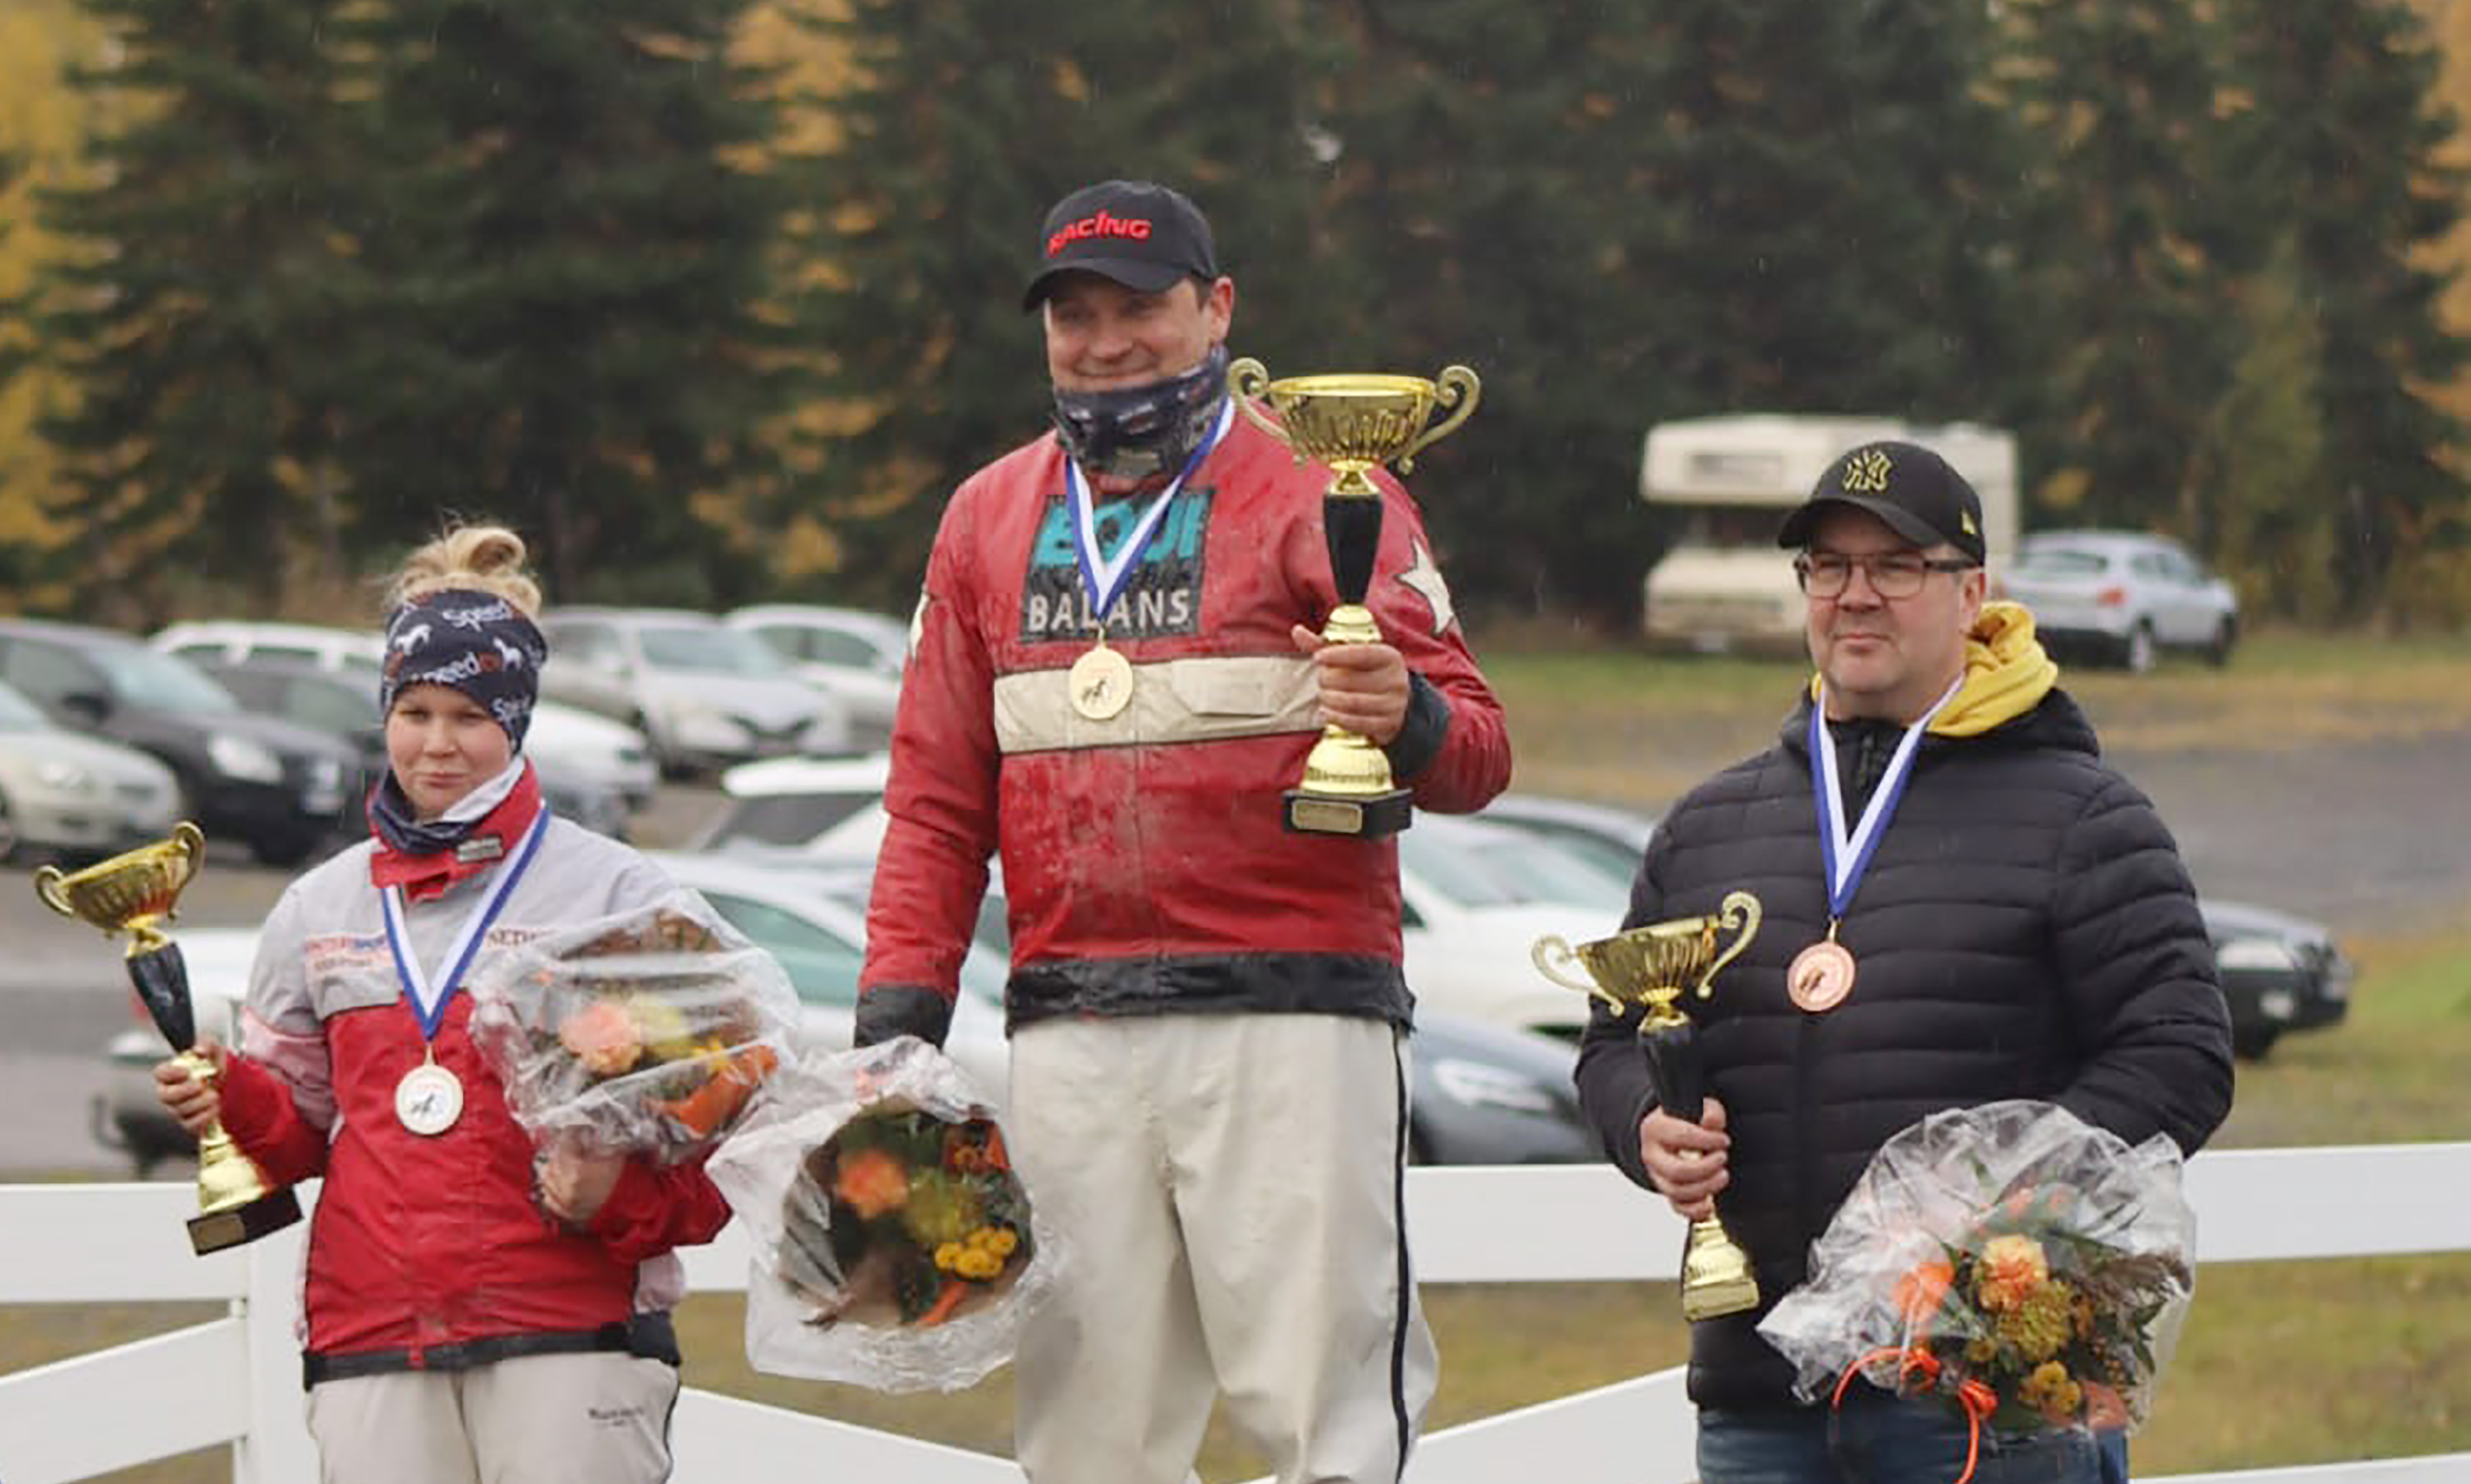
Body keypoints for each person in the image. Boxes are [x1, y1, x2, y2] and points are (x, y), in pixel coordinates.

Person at [852, 178, 1512, 1484]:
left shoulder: (1326, 486)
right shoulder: (985, 518)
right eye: (1073, 315)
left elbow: (1481, 756)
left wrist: (1411, 717)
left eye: (1139, 309)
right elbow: (934, 805)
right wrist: (896, 1031)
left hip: (1295, 1016)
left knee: (1322, 1413)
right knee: (1089, 1434)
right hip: (1069, 1030)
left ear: (1217, 310)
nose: (1104, 343)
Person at [1574, 441, 2234, 1484]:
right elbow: (1613, 1040)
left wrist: (1993, 1212)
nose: (1857, 596)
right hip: (1761, 1394)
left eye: (1896, 566)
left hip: (1986, 1397)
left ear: (1974, 591)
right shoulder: (1711, 827)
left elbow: (2182, 1054)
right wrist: (1642, 1124)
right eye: (1829, 567)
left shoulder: (2085, 815)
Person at [154, 524, 726, 1484]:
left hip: (568, 1334)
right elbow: (301, 1141)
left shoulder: (623, 901)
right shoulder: (320, 908)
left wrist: (617, 1195)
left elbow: (719, 1153)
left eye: (468, 714)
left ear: (517, 718)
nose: (437, 743)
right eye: (413, 710)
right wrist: (229, 1097)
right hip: (373, 1334)